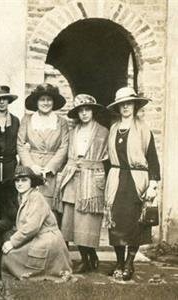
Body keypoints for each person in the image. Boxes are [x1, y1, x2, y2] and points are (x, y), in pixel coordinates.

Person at [104, 87, 160, 281]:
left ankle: (129, 263)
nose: (126, 107)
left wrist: (153, 183)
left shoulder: (143, 129)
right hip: (117, 179)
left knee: (134, 223)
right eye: (122, 104)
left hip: (137, 181)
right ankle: (119, 262)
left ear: (135, 105)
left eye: (129, 103)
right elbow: (107, 158)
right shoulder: (113, 129)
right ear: (118, 107)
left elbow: (152, 158)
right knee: (115, 222)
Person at [56, 94, 109, 273]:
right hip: (73, 176)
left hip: (91, 179)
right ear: (77, 113)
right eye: (81, 111)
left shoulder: (103, 131)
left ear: (93, 111)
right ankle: (84, 257)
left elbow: (109, 157)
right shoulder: (73, 132)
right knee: (72, 220)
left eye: (87, 110)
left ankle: (91, 255)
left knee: (87, 220)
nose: (84, 114)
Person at [1, 166, 72, 280]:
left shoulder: (36, 197)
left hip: (47, 241)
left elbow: (32, 227)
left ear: (32, 182)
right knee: (8, 255)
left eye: (24, 180)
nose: (19, 183)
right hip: (37, 237)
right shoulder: (24, 196)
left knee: (9, 256)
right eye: (17, 180)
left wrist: (13, 242)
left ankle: (45, 271)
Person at [17, 83, 69, 220]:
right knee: (30, 206)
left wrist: (49, 168)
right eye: (42, 99)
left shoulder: (61, 122)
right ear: (36, 102)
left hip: (51, 172)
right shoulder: (27, 120)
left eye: (49, 100)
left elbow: (64, 146)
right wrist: (31, 166)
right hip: (31, 168)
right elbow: (20, 144)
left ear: (53, 102)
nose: (45, 103)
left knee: (49, 209)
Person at [0, 85, 20, 182]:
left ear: (8, 101)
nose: (1, 102)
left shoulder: (15, 120)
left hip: (10, 164)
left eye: (4, 99)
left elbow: (18, 141)